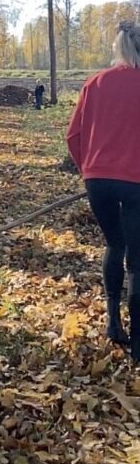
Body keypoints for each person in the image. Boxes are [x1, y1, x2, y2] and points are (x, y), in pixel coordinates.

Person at [67, 20, 140, 361]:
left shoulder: (95, 83)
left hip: (98, 180)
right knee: (137, 261)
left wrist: (89, 170)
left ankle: (113, 322)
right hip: (136, 180)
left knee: (115, 244)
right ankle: (138, 342)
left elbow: (74, 136)